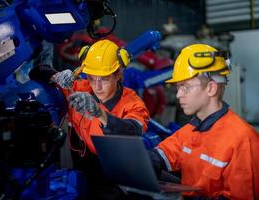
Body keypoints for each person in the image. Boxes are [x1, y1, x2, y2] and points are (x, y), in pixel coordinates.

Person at [29, 39, 150, 199]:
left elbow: (132, 131)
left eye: (104, 79)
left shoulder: (133, 104)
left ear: (118, 74)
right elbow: (37, 71)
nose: (97, 86)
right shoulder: (78, 88)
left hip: (115, 183)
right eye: (92, 78)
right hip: (81, 177)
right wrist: (57, 76)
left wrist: (99, 113)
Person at [149, 44, 259, 199]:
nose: (179, 94)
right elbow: (163, 154)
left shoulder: (243, 140)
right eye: (178, 87)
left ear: (211, 88)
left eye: (185, 87)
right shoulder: (191, 130)